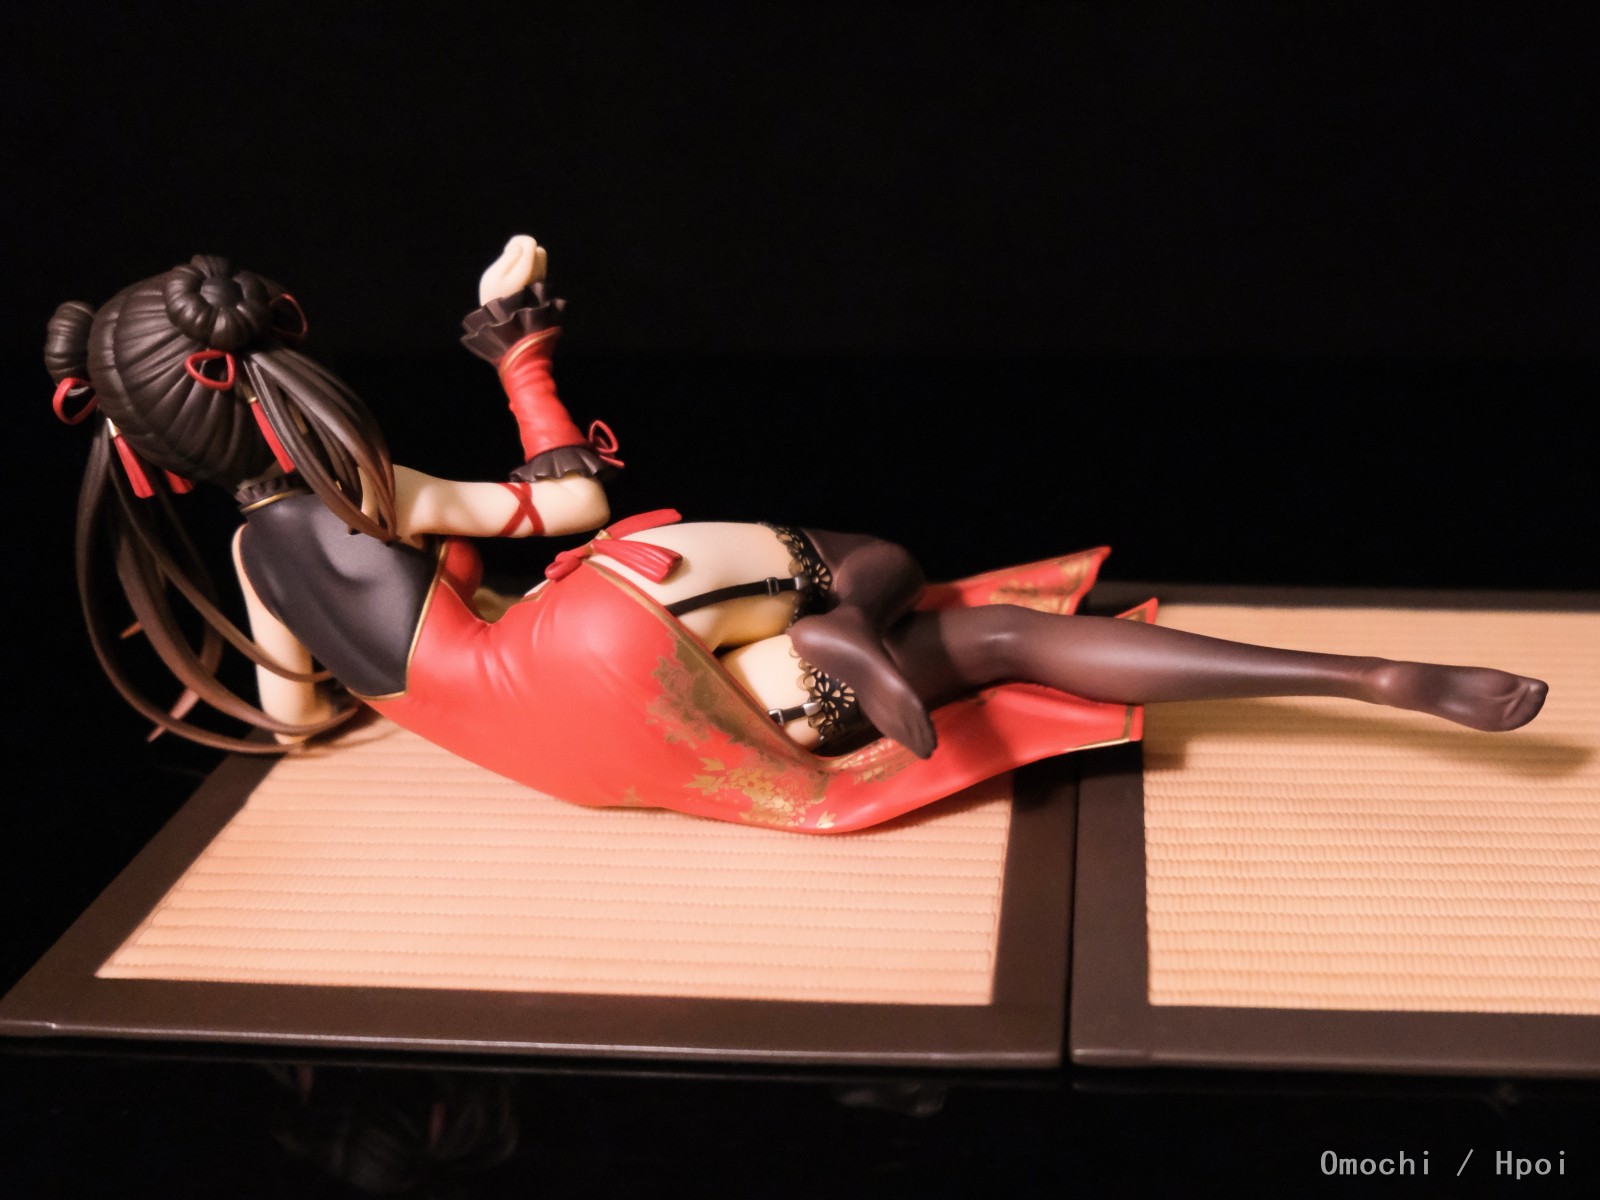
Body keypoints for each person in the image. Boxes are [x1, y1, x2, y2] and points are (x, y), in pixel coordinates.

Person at [48, 238, 1548, 831]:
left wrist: (344, 699)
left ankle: (841, 647)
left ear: (156, 458)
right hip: (598, 625)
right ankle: (1362, 680)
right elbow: (566, 507)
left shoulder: (255, 562)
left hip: (593, 749)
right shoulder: (383, 494)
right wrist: (522, 360)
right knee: (907, 577)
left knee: (960, 644)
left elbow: (296, 716)